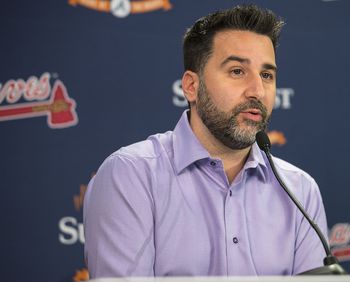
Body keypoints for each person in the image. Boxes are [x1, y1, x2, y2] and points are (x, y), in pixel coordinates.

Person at [84, 4, 329, 278]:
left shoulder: (300, 191)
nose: (257, 90)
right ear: (191, 86)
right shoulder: (130, 175)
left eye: (267, 75)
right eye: (237, 71)